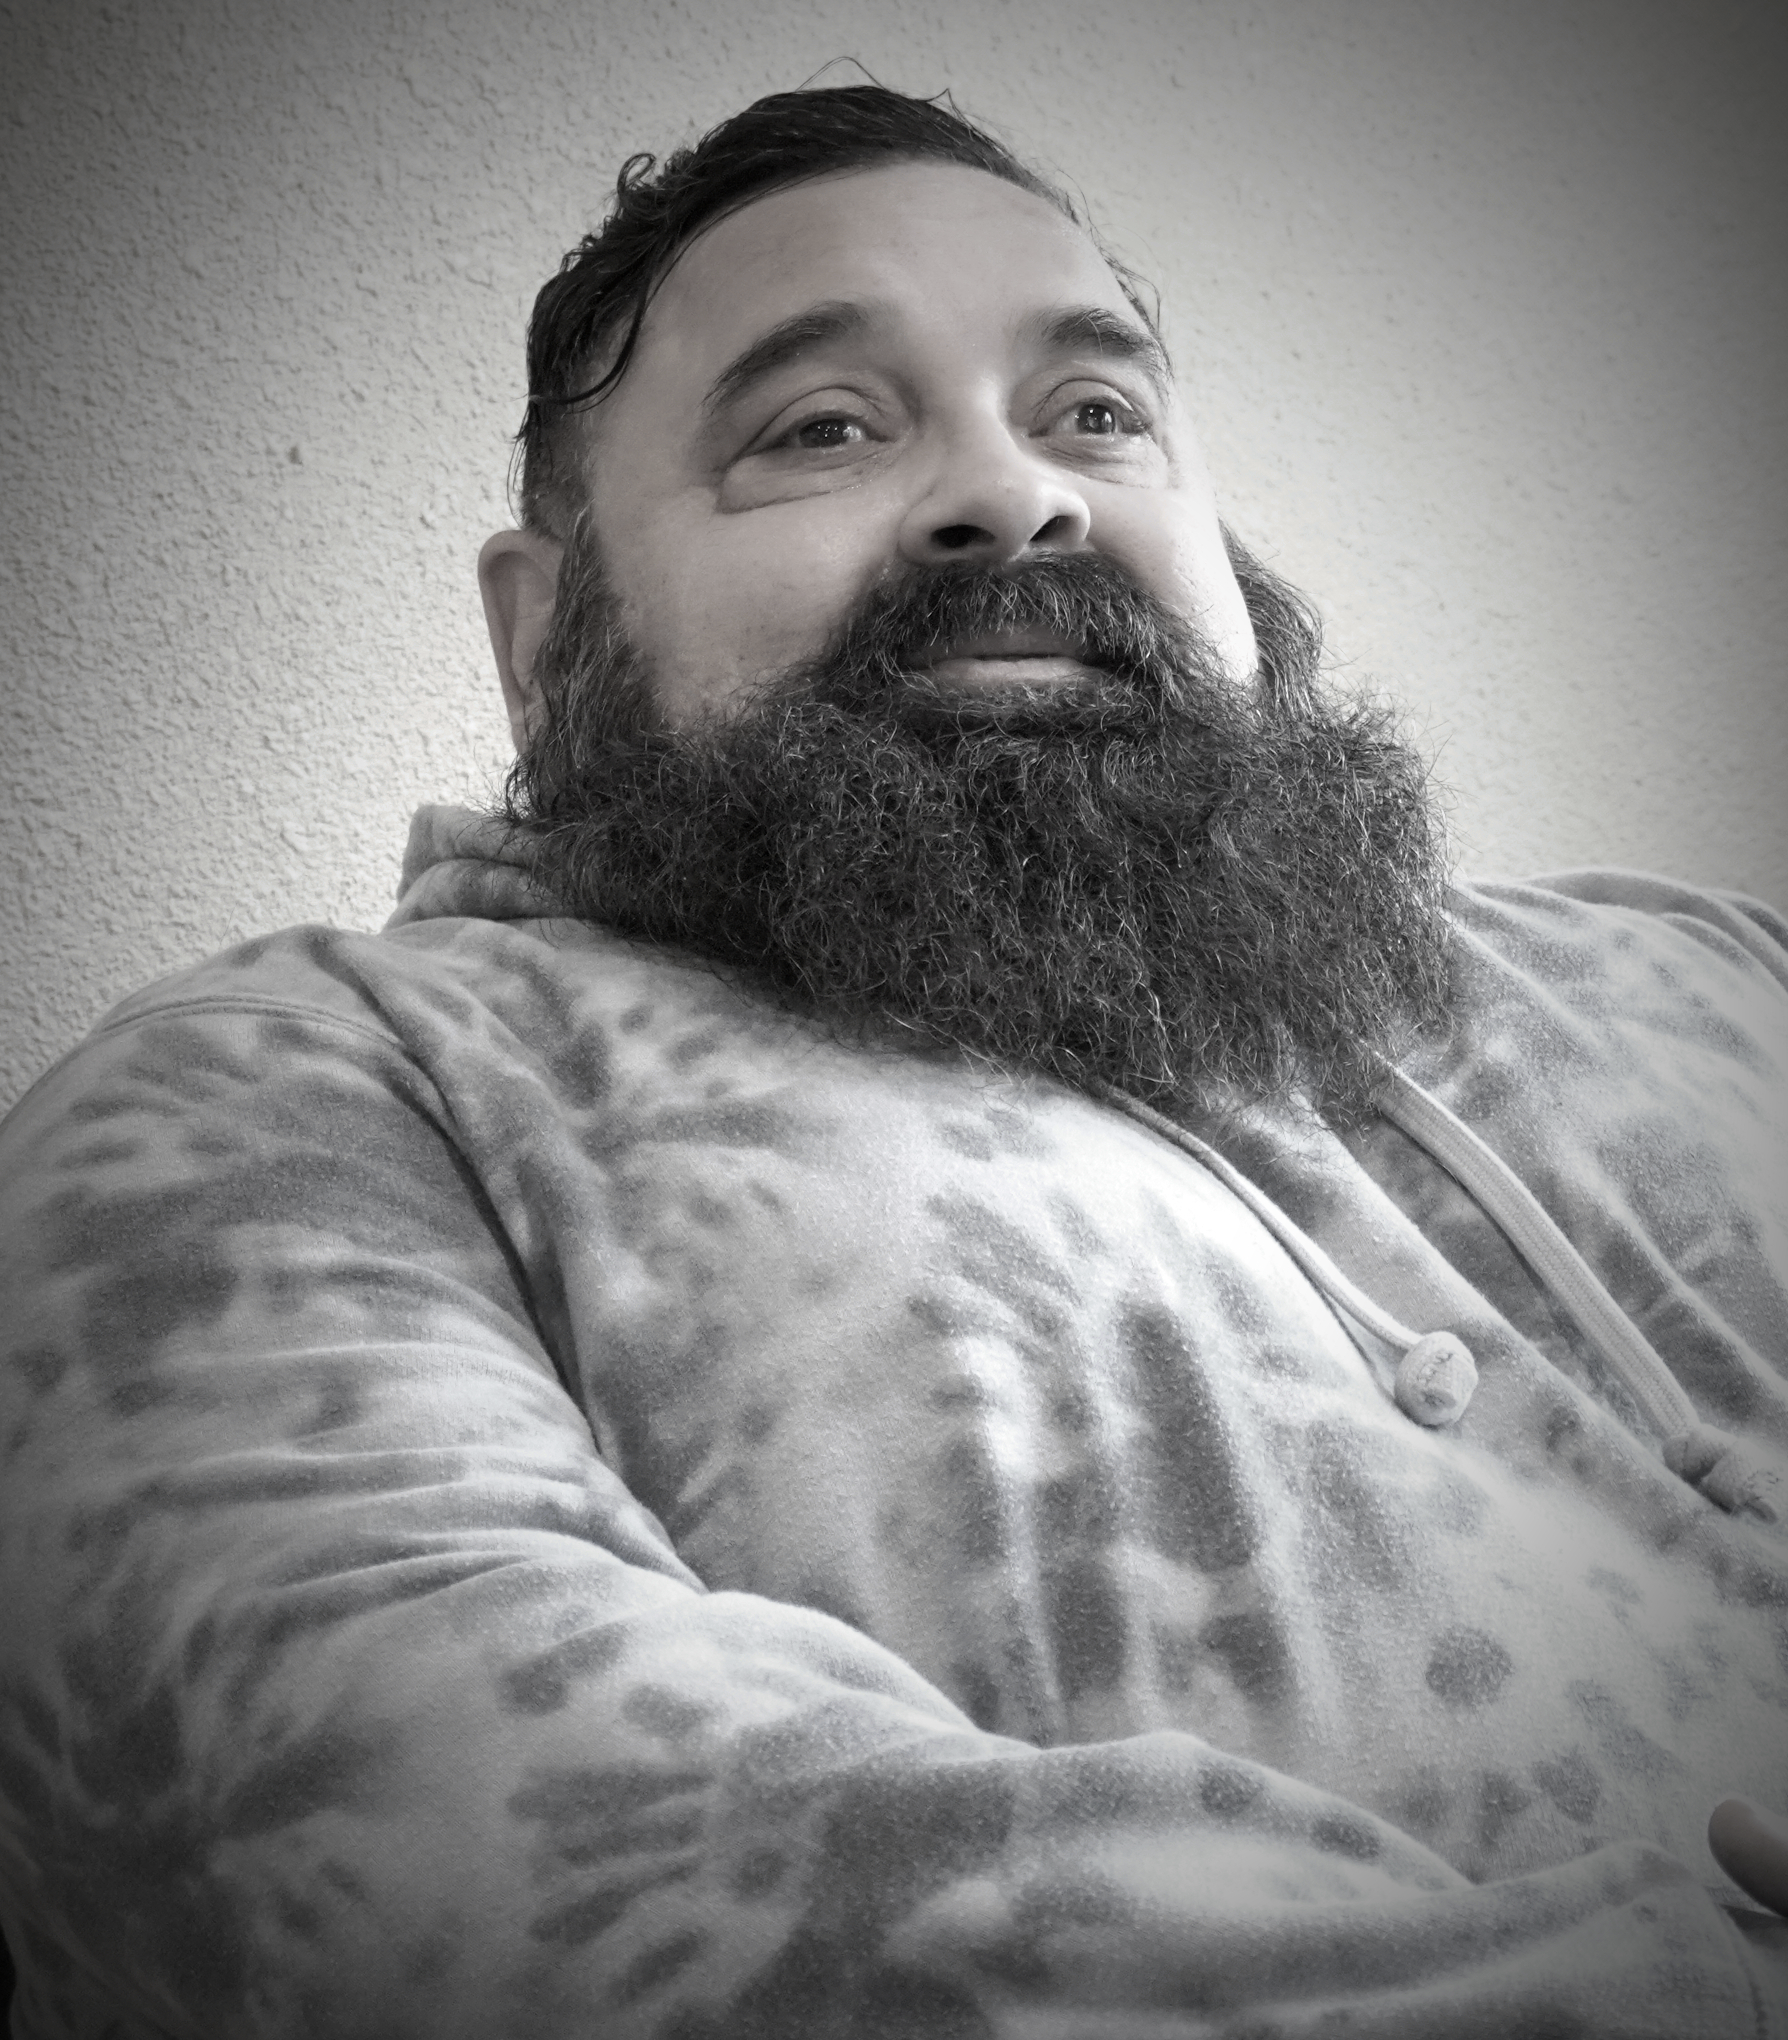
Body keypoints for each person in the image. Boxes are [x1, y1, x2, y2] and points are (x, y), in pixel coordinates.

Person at [0, 82, 1785, 2038]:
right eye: (822, 428)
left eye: (1092, 411)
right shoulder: (271, 1116)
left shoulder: (1708, 971)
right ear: (544, 633)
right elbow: (493, 1901)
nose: (1014, 497)